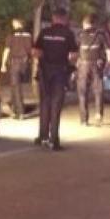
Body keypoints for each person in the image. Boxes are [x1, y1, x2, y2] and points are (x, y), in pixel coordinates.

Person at [34, 8, 78, 150]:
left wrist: (43, 61)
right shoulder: (68, 34)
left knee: (44, 103)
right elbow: (73, 55)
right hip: (60, 72)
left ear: (53, 18)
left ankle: (42, 136)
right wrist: (71, 68)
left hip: (44, 73)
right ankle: (54, 140)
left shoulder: (44, 32)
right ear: (64, 18)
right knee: (56, 105)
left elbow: (36, 51)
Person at [76, 14, 110, 126]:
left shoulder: (80, 35)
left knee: (82, 92)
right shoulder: (101, 34)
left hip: (83, 66)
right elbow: (109, 52)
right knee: (98, 91)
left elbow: (73, 53)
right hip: (97, 65)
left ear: (84, 24)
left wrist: (74, 66)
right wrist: (108, 65)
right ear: (94, 24)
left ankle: (84, 120)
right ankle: (98, 115)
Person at [2, 19, 33, 120]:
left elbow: (6, 50)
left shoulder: (12, 35)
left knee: (15, 86)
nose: (13, 25)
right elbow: (31, 50)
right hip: (25, 63)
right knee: (14, 85)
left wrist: (3, 64)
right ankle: (14, 110)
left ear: (17, 24)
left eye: (13, 24)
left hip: (15, 62)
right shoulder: (28, 35)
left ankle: (20, 112)